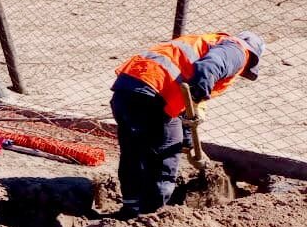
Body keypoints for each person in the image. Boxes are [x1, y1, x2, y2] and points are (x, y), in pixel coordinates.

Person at [110, 30, 265, 216]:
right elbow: (207, 69)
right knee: (165, 155)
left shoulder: (205, 42)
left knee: (133, 151)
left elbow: (183, 95)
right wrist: (196, 99)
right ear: (252, 58)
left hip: (128, 87)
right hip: (155, 92)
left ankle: (131, 207)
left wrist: (189, 140)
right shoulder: (238, 51)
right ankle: (151, 215)